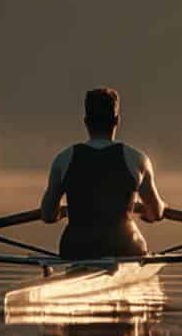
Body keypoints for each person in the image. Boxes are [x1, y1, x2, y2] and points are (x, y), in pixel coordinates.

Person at [39, 87, 165, 259]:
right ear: (117, 120)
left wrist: (62, 212)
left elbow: (47, 215)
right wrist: (151, 211)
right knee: (137, 239)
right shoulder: (137, 159)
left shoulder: (63, 159)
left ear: (85, 121)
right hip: (124, 248)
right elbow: (156, 213)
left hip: (75, 250)